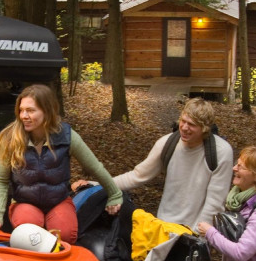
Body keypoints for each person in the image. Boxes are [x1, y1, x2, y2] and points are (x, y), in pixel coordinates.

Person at [0, 84, 122, 244]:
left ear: (47, 111)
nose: (24, 115)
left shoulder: (67, 136)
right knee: (31, 237)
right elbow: (1, 180)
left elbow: (94, 167)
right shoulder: (10, 139)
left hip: (58, 200)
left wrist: (115, 194)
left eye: (30, 110)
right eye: (21, 110)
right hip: (25, 202)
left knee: (65, 236)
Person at [77, 98, 233, 231]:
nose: (184, 128)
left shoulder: (220, 152)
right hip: (165, 224)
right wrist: (97, 184)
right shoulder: (167, 143)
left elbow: (215, 202)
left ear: (205, 128)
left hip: (197, 229)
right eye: (183, 121)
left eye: (191, 125)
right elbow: (137, 176)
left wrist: (199, 236)